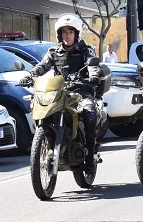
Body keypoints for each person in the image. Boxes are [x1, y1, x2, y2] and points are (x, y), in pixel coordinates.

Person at [19, 13, 101, 171]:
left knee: (90, 115)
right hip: (59, 92)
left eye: (70, 32)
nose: (67, 35)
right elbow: (42, 67)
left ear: (76, 34)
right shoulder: (53, 52)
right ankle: (45, 142)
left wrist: (94, 75)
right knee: (41, 108)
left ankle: (90, 154)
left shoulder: (86, 50)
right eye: (64, 32)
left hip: (81, 91)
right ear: (59, 34)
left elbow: (93, 66)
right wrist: (30, 76)